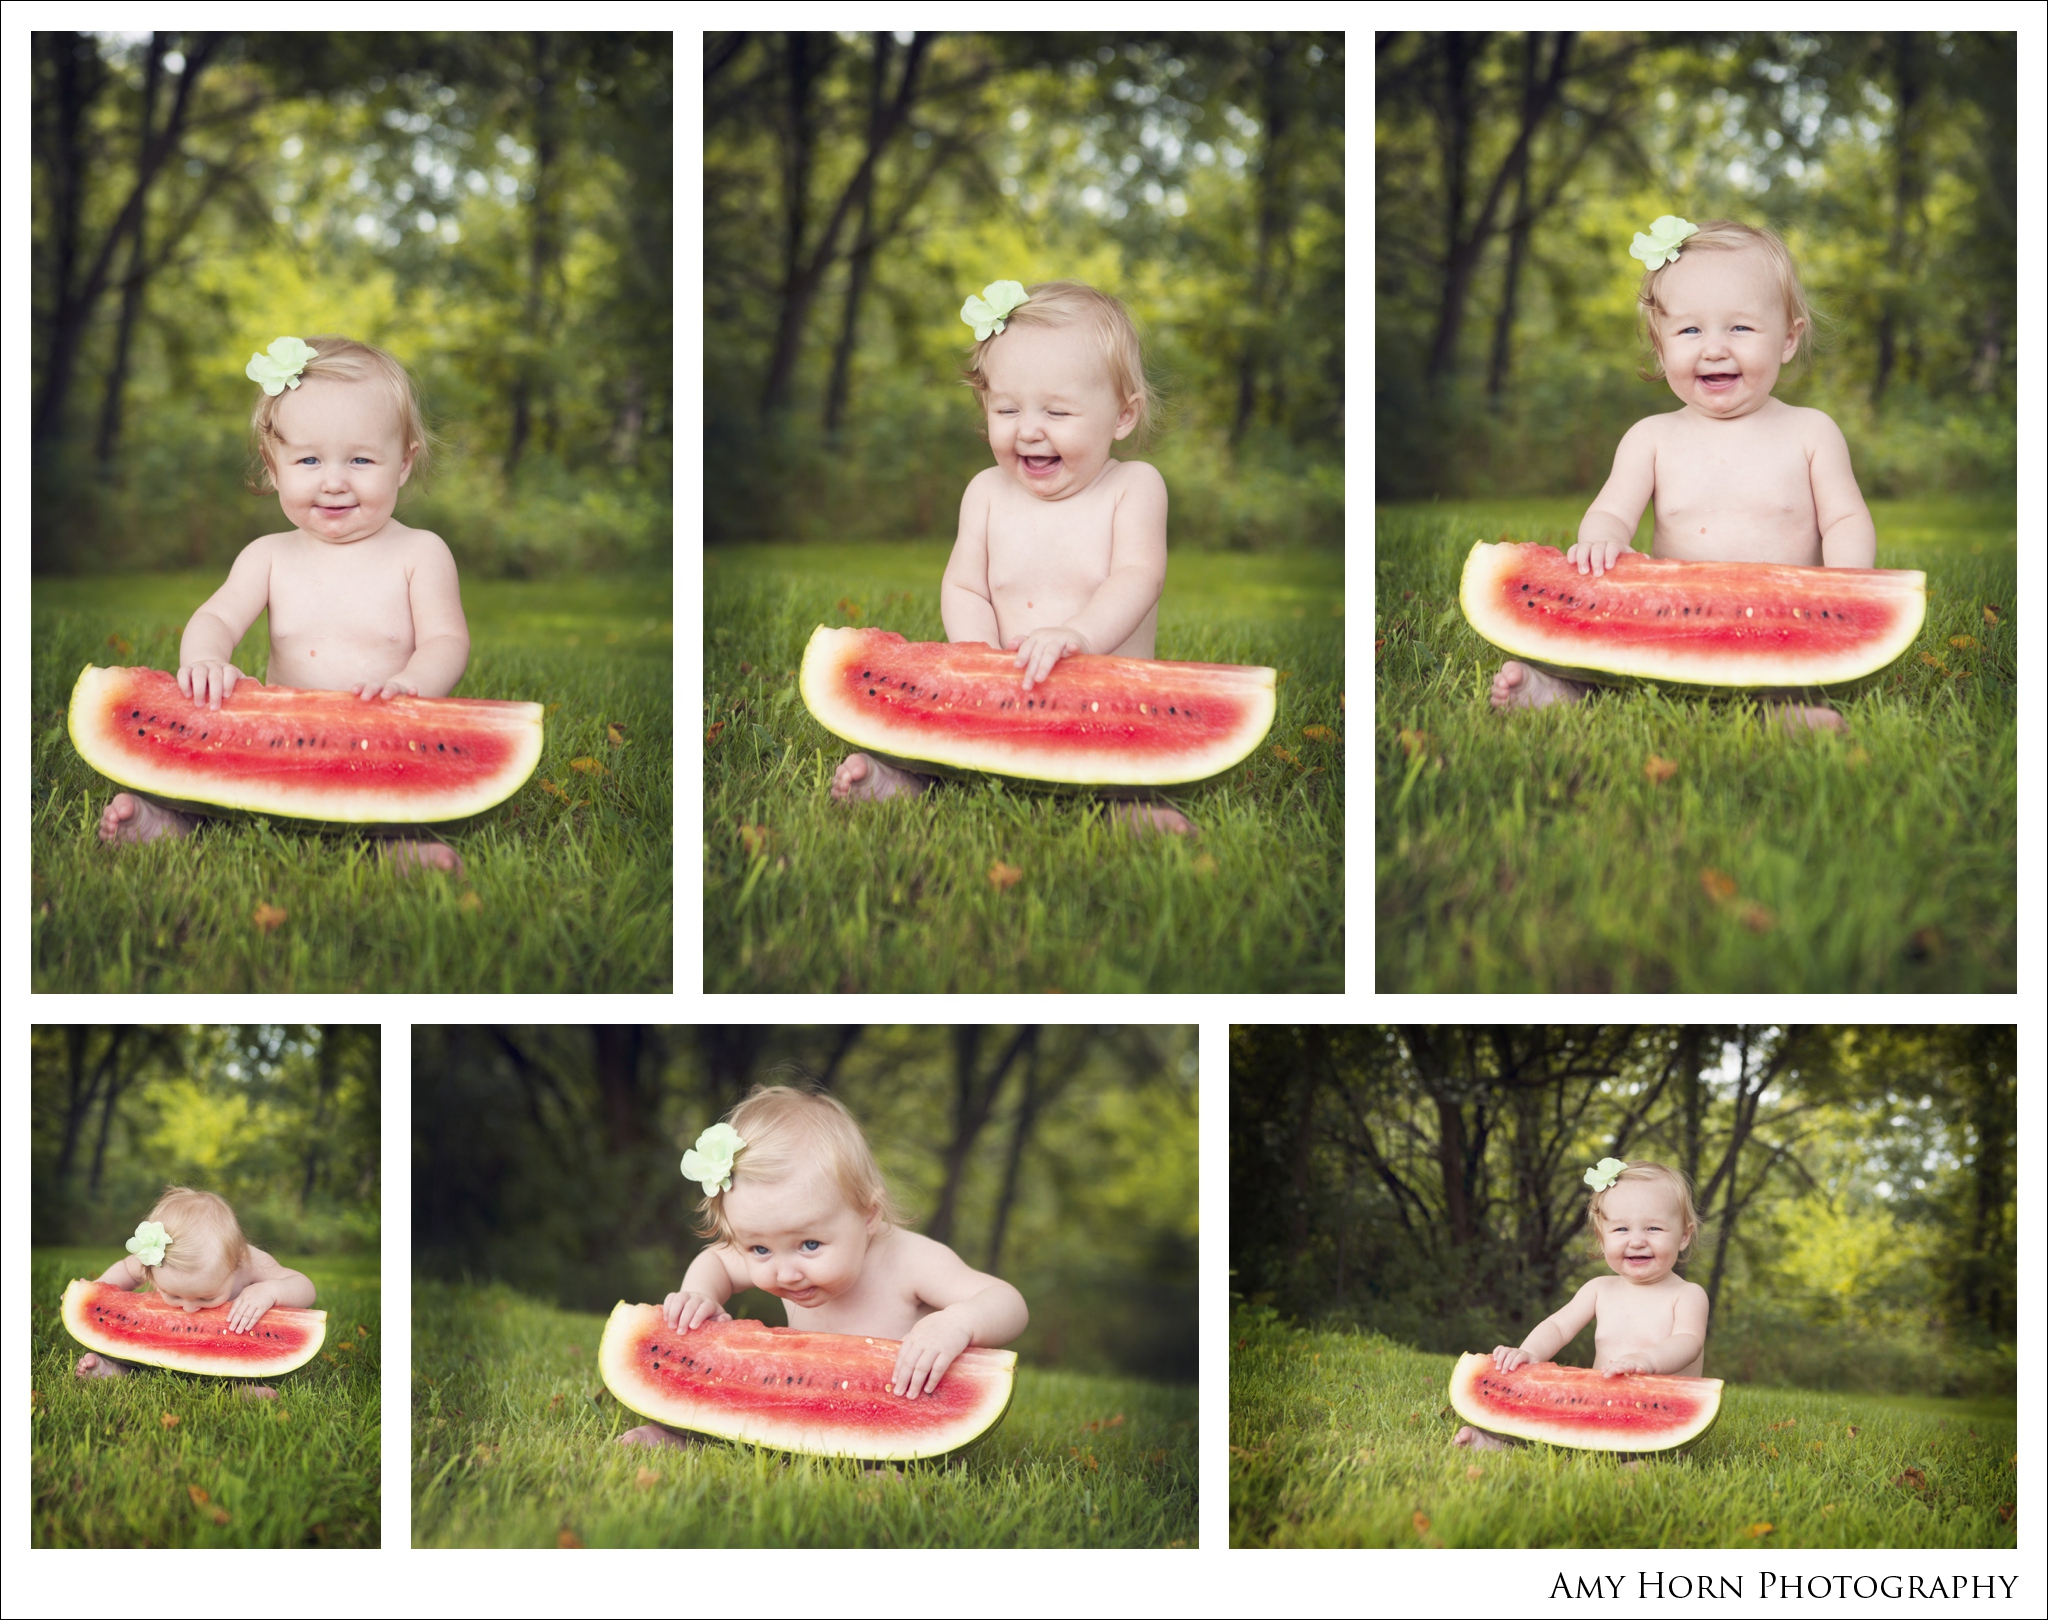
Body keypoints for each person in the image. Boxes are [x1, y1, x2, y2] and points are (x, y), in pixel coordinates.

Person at [97, 334, 472, 870]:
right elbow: (217, 617)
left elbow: (446, 639)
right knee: (207, 776)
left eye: (362, 459)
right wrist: (204, 659)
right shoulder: (267, 556)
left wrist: (412, 686)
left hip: (384, 736)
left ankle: (400, 849)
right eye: (310, 460)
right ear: (274, 469)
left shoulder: (421, 553)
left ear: (404, 464)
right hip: (274, 743)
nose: (335, 481)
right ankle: (165, 822)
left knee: (398, 801)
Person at [830, 278, 1193, 833]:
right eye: (1006, 409)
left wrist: (1079, 636)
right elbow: (966, 586)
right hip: (997, 690)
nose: (1028, 431)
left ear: (1122, 416)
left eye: (1058, 413)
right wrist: (977, 655)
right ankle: (896, 780)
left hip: (1103, 699)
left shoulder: (1134, 486)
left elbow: (1139, 575)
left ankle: (1131, 808)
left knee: (1125, 758)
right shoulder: (985, 492)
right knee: (932, 735)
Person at [1491, 217, 1875, 730]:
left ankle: (1783, 714)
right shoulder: (1650, 438)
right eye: (1690, 330)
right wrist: (1602, 541)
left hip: (1782, 625)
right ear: (1660, 345)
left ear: (1788, 339)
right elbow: (1609, 511)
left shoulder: (1812, 432)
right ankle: (1552, 690)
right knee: (1598, 654)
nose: (1713, 348)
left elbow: (1846, 518)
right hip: (1663, 624)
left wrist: (1846, 591)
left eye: (1739, 327)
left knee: (1787, 671)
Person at [619, 1084, 1029, 1449]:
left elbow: (1007, 1301)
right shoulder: (785, 1258)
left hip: (899, 1407)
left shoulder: (911, 1261)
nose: (785, 1273)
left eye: (809, 1244)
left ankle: (888, 1466)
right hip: (794, 1402)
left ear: (868, 1215)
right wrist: (700, 1295)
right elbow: (717, 1261)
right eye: (759, 1249)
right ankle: (679, 1431)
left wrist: (959, 1322)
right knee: (719, 1395)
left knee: (888, 1450)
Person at [1455, 1158, 1709, 1451]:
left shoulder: (1688, 1294)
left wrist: (1648, 1361)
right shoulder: (1598, 1289)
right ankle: (1494, 1443)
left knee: (1644, 1455)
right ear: (1602, 1240)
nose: (1637, 1241)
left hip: (1657, 1414)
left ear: (1684, 1236)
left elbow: (1688, 1341)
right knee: (1541, 1422)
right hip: (1597, 1405)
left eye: (1653, 1229)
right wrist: (1529, 1352)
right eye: (1621, 1230)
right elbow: (1559, 1327)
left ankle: (1640, 1465)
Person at [74, 1186, 317, 1399]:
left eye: (206, 1298)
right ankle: (113, 1369)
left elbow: (305, 1287)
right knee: (129, 1347)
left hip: (227, 1349)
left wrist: (270, 1290)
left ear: (236, 1264)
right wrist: (95, 1292)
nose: (189, 1308)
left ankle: (242, 1387)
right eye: (173, 1295)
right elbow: (125, 1269)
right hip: (157, 1342)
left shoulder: (249, 1262)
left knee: (238, 1359)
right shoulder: (155, 1258)